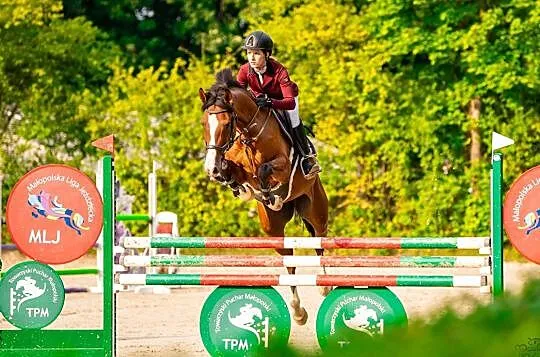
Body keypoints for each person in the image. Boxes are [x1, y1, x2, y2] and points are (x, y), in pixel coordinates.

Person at [236, 30, 321, 179]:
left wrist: (270, 102)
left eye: (256, 53)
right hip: (262, 101)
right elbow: (237, 94)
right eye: (249, 53)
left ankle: (306, 157)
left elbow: (288, 102)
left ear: (267, 55)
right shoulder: (244, 70)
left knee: (293, 120)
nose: (252, 58)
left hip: (284, 100)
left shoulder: (280, 71)